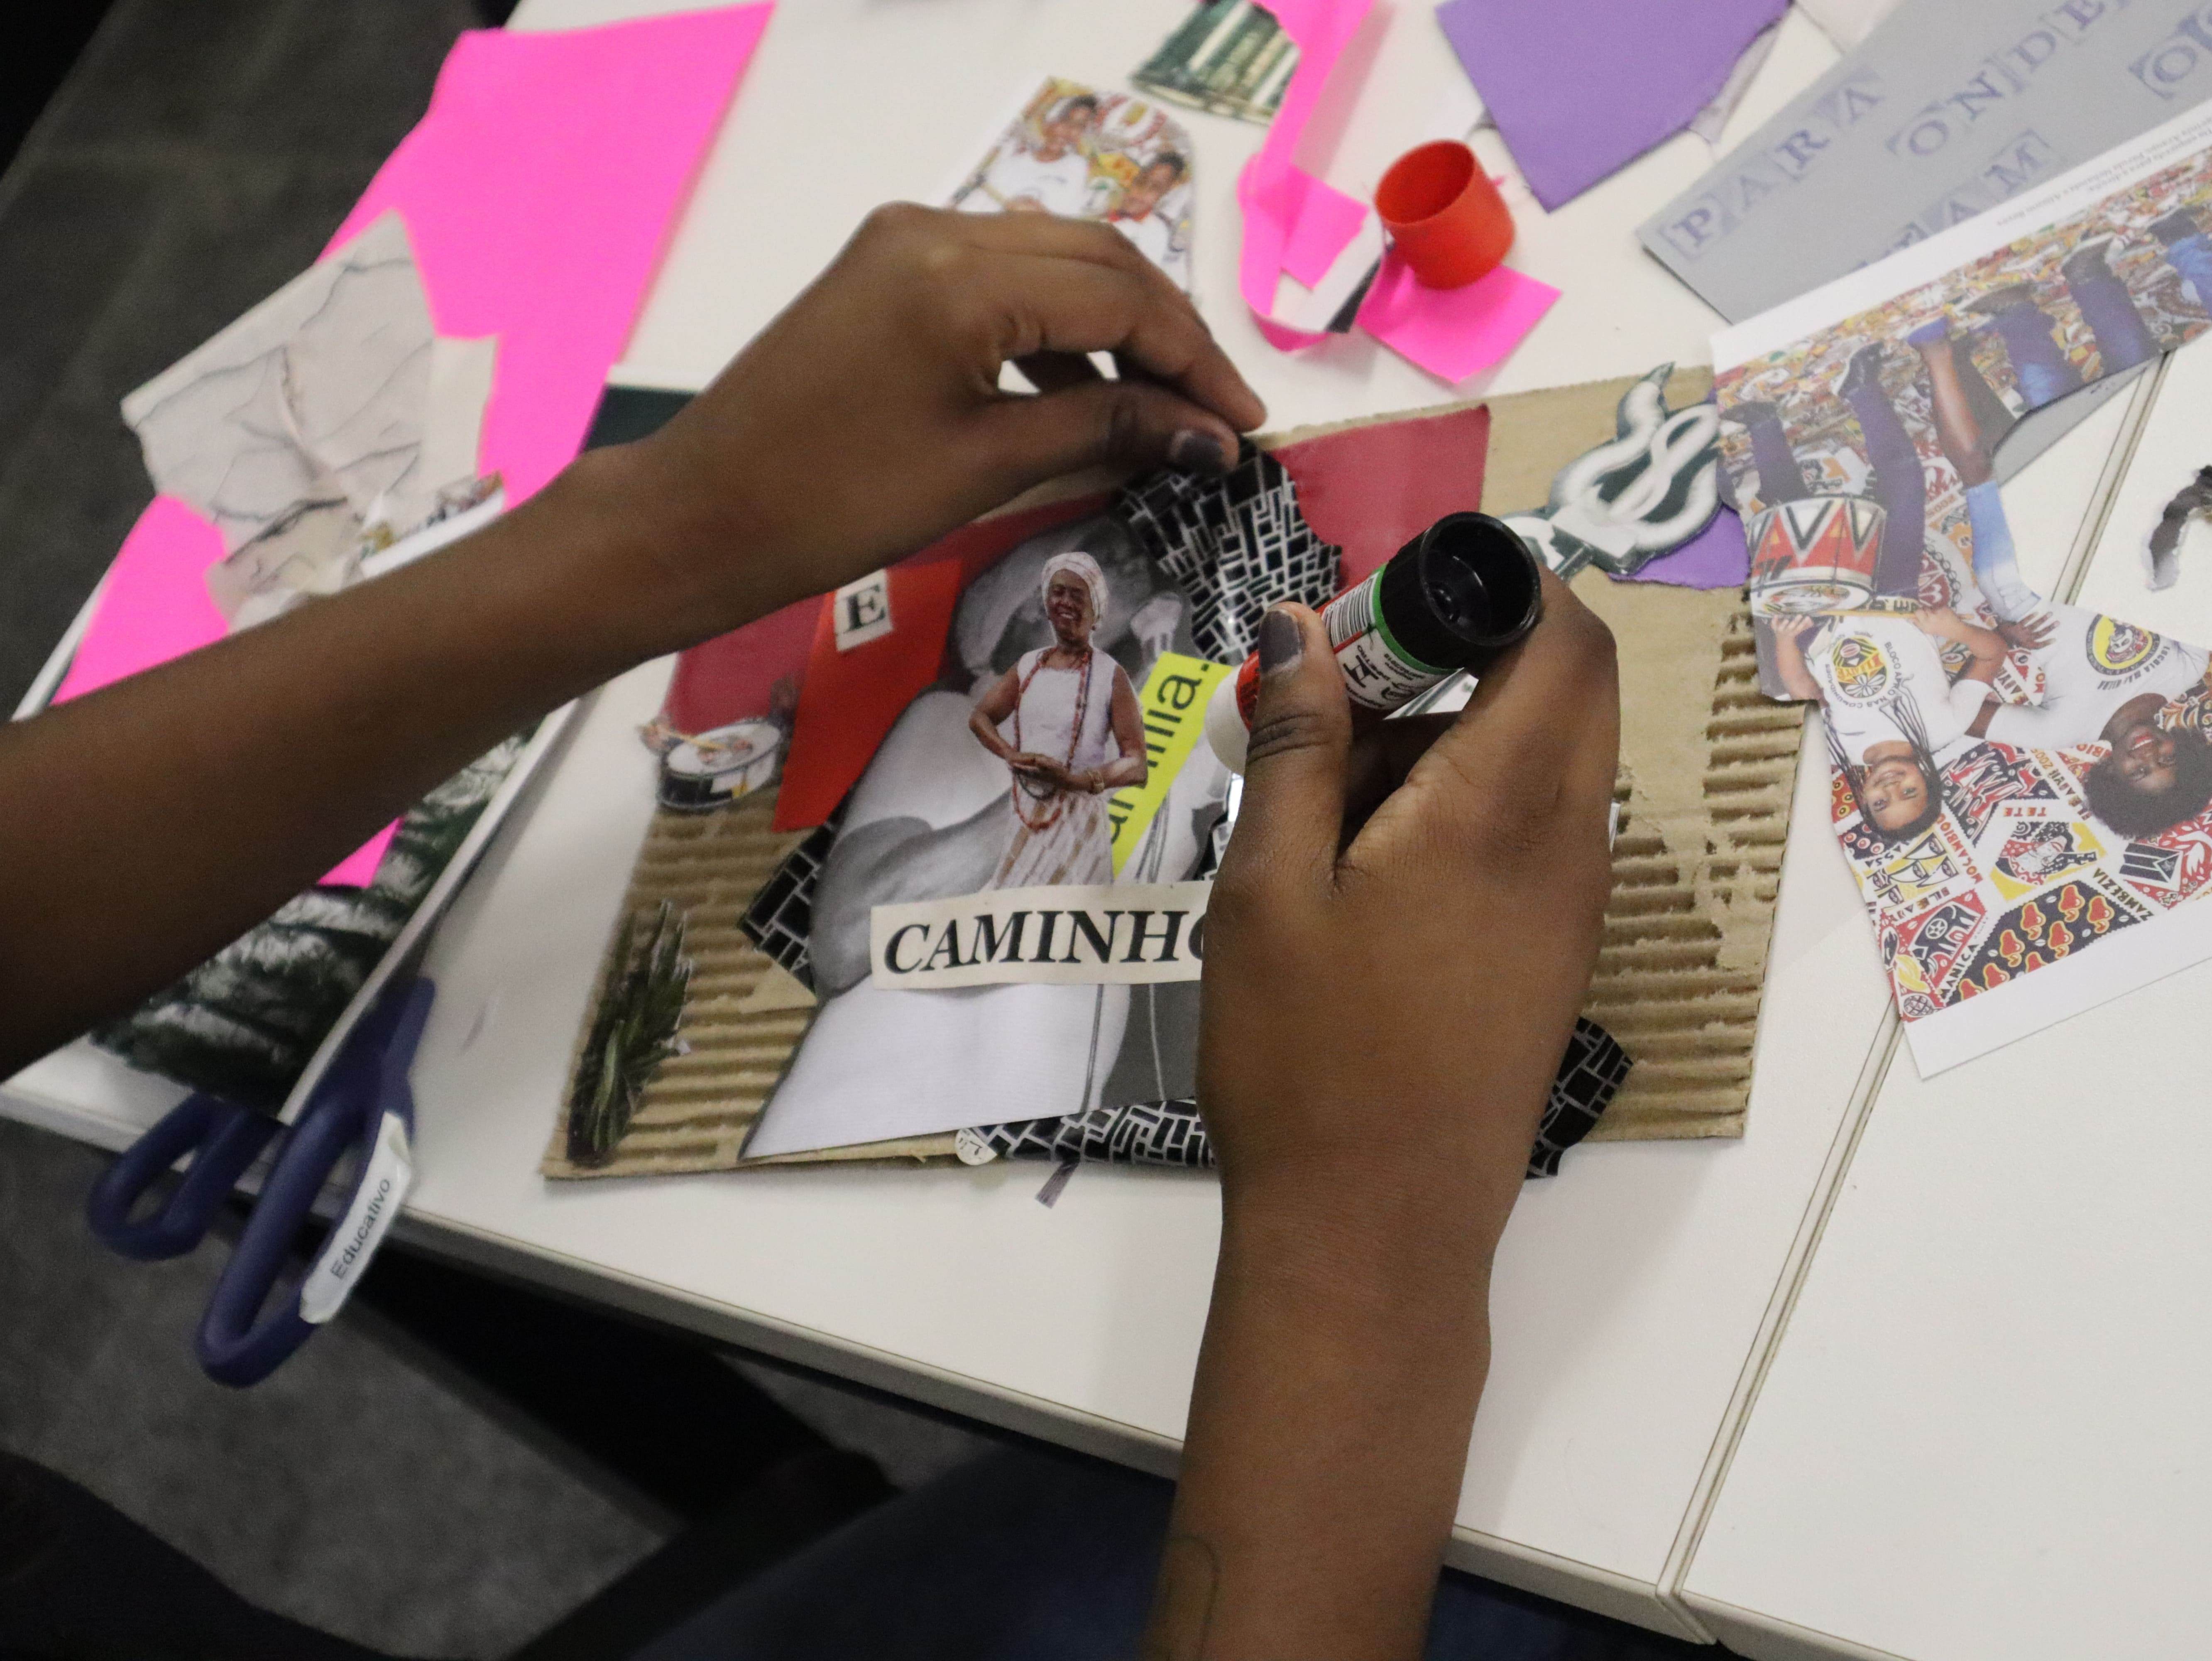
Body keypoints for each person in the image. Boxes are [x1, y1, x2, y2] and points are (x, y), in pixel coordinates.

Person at [0, 206, 1621, 1658]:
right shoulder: (947, 736)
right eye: (1053, 620)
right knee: (1573, 1539)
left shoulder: (1134, 706)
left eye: (1100, 618)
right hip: (993, 1120)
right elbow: (866, 922)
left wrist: (660, 529)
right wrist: (1365, 1240)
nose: (1080, 634)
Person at [1904, 318, 2212, 836]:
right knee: (2048, 442)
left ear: (2112, 775)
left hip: (2023, 585)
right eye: (2166, 760)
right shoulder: (2186, 669)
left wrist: (2000, 641)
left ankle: (1933, 350)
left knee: (1981, 467)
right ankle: (1964, 360)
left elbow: (1960, 716)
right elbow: (2179, 582)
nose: (2148, 754)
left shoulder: (2063, 731)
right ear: (2182, 748)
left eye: (2140, 772)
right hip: (2094, 542)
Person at [967, 549, 1148, 887]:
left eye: (1079, 594)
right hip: (1026, 822)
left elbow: (1137, 765)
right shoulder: (1028, 668)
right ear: (1042, 606)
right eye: (1060, 592)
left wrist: (1074, 782)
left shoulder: (1112, 675)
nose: (1066, 603)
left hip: (1082, 831)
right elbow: (981, 718)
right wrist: (1011, 755)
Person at [1768, 605, 2006, 842]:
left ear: (1864, 799)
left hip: (1814, 621)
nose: (1892, 788)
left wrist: (1785, 639)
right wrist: (1956, 630)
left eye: (1881, 803)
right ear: (1929, 781)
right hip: (1889, 600)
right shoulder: (1949, 725)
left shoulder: (1831, 749)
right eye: (1909, 792)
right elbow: (1994, 653)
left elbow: (1801, 686)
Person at [968, 93, 1099, 217]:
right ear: (1047, 123)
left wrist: (1038, 214)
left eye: (1080, 126)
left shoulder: (1078, 167)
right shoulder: (1010, 165)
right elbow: (981, 213)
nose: (1070, 131)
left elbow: (1072, 221)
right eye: (1065, 120)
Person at [1109, 152, 1186, 273]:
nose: (1140, 196)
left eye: (1155, 188)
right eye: (1140, 183)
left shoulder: (1154, 233)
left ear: (1164, 193)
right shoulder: (1104, 205)